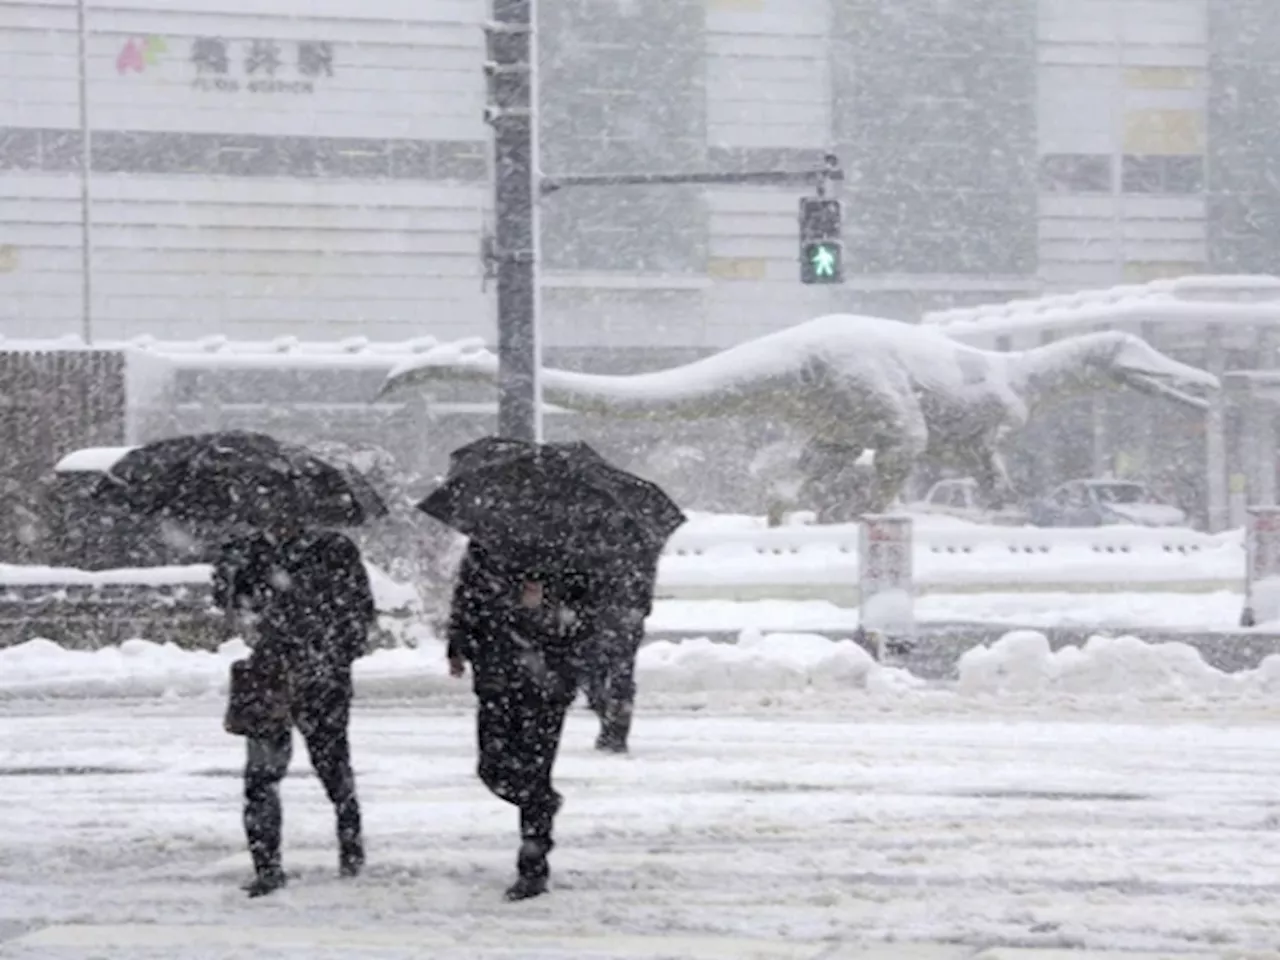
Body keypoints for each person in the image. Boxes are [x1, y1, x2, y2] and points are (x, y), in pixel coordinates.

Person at [213, 523, 378, 898]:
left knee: (332, 765)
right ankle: (267, 865)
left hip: (322, 677)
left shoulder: (334, 548)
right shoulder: (251, 551)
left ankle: (350, 847)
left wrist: (330, 655)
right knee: (260, 777)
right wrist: (230, 569)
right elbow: (230, 604)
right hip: (271, 676)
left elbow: (360, 611)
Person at [446, 542, 588, 901]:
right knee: (492, 768)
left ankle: (533, 866)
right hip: (496, 677)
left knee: (535, 771)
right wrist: (459, 643)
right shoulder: (486, 547)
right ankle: (540, 805)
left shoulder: (571, 550)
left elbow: (589, 615)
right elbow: (467, 598)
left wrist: (548, 609)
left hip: (548, 684)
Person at [581, 554, 658, 754]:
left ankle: (616, 729)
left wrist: (641, 606)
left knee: (618, 675)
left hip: (620, 612)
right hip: (597, 613)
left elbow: (646, 573)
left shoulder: (632, 543)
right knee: (593, 674)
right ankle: (611, 719)